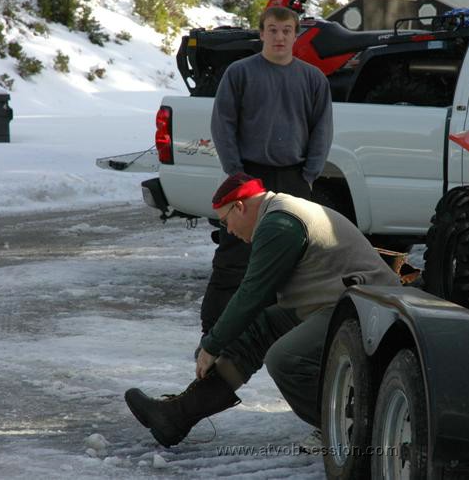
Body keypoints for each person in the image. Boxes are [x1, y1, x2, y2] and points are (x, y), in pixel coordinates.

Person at [125, 174, 399, 447]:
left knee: (285, 359)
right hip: (332, 302)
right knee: (256, 330)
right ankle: (175, 417)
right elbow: (258, 299)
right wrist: (223, 344)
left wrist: (212, 345)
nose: (228, 231)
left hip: (365, 307)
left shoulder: (279, 224)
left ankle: (349, 429)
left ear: (240, 206)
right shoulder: (276, 214)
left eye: (225, 221)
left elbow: (252, 293)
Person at [201, 5, 334, 337]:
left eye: (286, 31)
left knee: (291, 258)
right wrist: (237, 174)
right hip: (249, 178)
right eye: (273, 30)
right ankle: (214, 332)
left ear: (295, 35)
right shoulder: (240, 73)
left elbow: (322, 129)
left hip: (294, 178)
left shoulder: (312, 78)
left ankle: (279, 334)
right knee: (234, 257)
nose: (279, 37)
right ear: (261, 33)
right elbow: (223, 125)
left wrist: (309, 174)